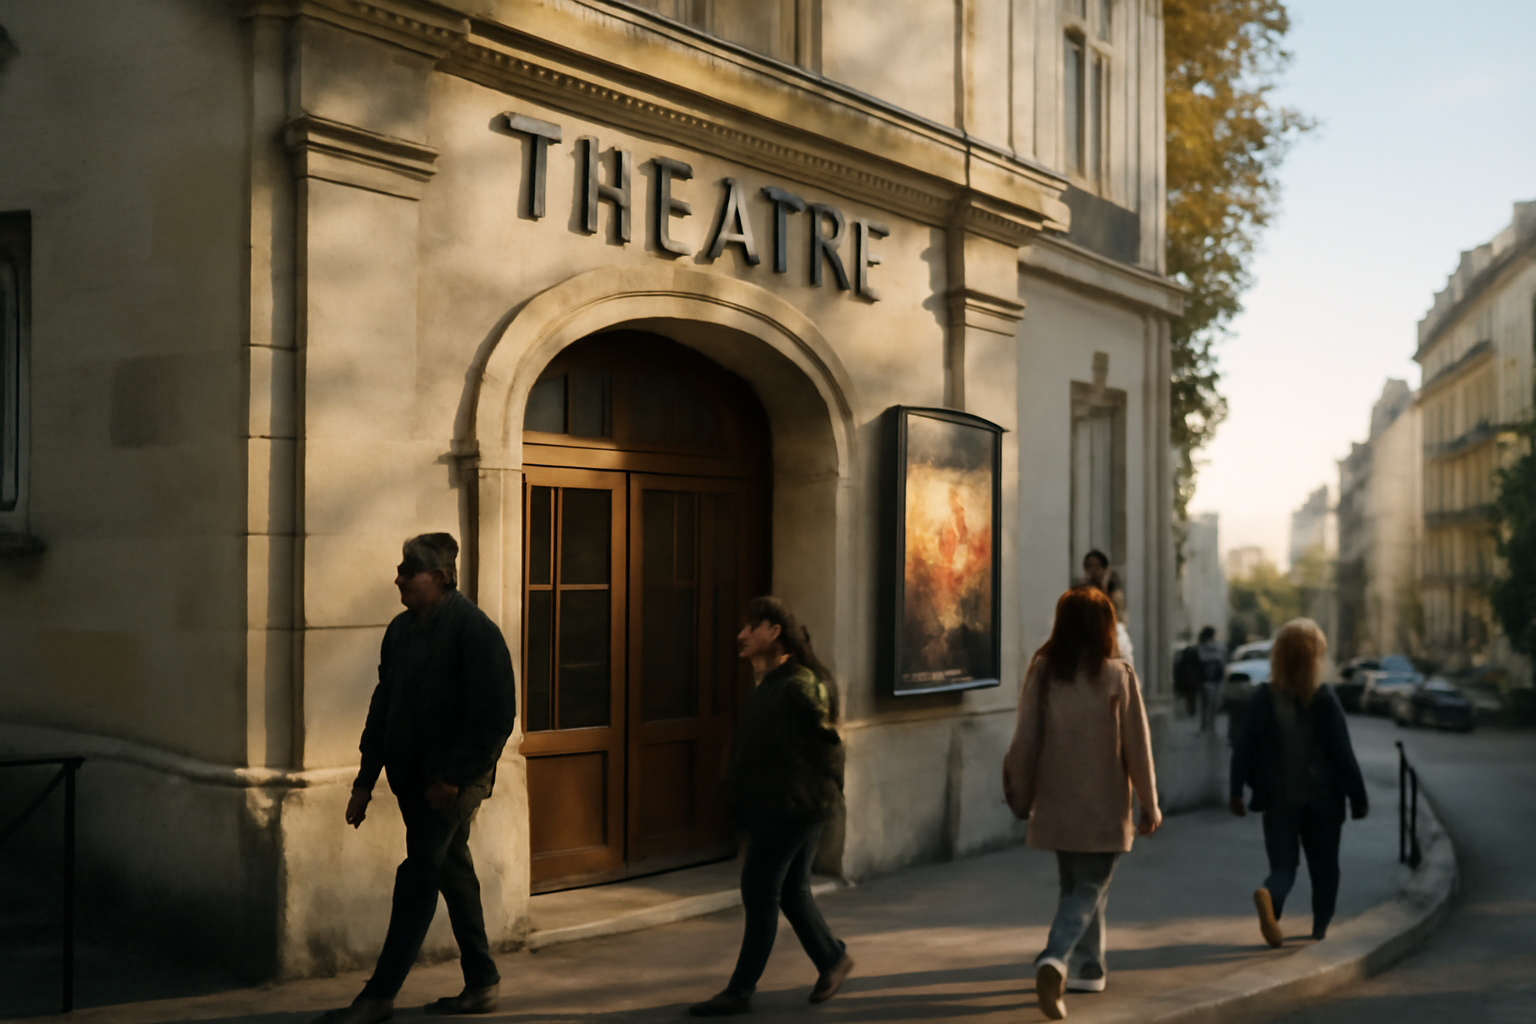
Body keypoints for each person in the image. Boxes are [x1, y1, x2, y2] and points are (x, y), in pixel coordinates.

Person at [312, 534, 518, 1024]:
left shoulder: (475, 631)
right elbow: (384, 705)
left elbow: (495, 716)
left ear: (442, 577)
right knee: (453, 870)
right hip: (412, 780)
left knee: (419, 872)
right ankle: (483, 982)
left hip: (451, 786)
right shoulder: (401, 631)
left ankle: (379, 996)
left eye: (410, 570)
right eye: (401, 569)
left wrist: (455, 778)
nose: (398, 578)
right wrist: (365, 780)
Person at [688, 596, 853, 1017]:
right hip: (789, 804)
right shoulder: (773, 682)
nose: (740, 635)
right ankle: (832, 959)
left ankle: (741, 990)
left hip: (793, 807)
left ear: (773, 631)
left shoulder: (799, 685)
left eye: (750, 627)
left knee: (760, 888)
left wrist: (817, 798)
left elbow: (828, 745)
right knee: (793, 891)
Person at [1003, 585, 1161, 1021]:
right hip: (1104, 807)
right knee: (1090, 888)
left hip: (1055, 803)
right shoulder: (1119, 675)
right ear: (1105, 627)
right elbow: (1138, 746)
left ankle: (1089, 967)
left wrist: (1018, 791)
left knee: (1078, 887)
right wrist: (1150, 803)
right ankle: (1053, 958)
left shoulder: (1043, 670)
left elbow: (1025, 739)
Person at [1229, 618, 1368, 948]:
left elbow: (1243, 746)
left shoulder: (1264, 696)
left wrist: (1236, 790)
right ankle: (1319, 928)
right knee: (1325, 869)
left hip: (1277, 798)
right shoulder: (1324, 699)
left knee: (1283, 867)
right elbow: (1343, 753)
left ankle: (1270, 897)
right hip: (1324, 802)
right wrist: (1358, 797)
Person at [1081, 550, 1134, 669]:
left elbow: (1119, 618)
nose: (1093, 570)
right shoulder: (1082, 591)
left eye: (1096, 566)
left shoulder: (1114, 592)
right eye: (1089, 566)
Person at [1196, 626, 1226, 732]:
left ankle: (1206, 723)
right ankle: (1209, 723)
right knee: (1211, 703)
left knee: (1206, 703)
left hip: (1209, 679)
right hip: (1211, 679)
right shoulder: (1215, 646)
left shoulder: (1201, 646)